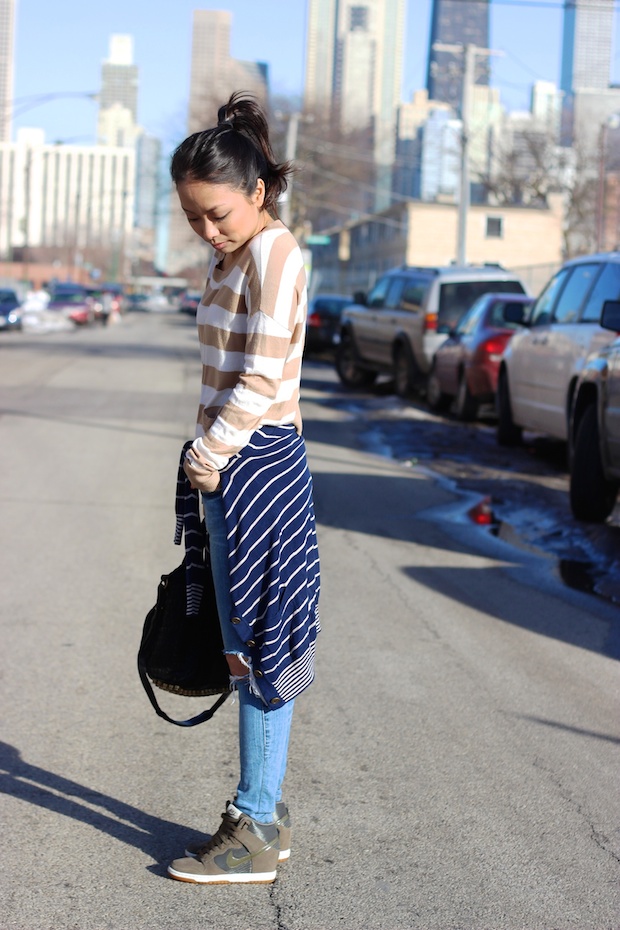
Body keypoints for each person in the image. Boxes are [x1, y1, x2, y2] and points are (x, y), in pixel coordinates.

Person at [166, 92, 321, 885]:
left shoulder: (276, 252)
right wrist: (206, 456)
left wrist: (213, 450)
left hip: (253, 460)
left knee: (258, 649)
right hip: (229, 463)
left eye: (219, 214)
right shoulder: (233, 257)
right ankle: (263, 812)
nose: (209, 230)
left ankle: (256, 824)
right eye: (195, 218)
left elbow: (262, 375)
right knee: (243, 646)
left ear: (258, 190)